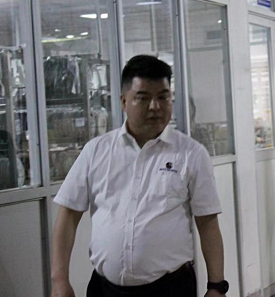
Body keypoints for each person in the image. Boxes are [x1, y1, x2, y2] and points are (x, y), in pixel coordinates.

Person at [51, 55, 229, 297]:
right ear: (124, 102)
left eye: (163, 97)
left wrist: (216, 286)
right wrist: (59, 280)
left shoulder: (191, 154)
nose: (155, 107)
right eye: (143, 98)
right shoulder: (96, 151)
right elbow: (68, 214)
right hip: (105, 290)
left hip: (170, 289)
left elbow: (207, 223)